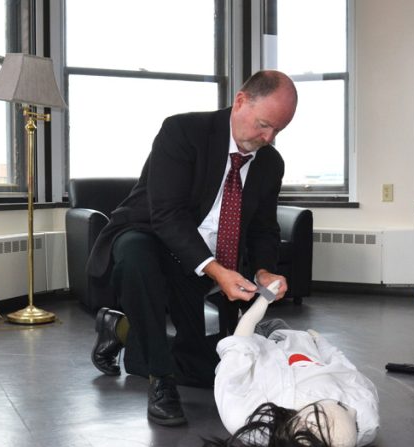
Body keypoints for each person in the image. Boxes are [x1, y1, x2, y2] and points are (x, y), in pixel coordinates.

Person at [86, 70, 297, 426]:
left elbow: (263, 228)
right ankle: (161, 381)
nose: (268, 137)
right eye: (264, 125)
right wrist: (216, 270)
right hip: (151, 237)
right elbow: (167, 215)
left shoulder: (270, 163)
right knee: (137, 255)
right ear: (241, 101)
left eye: (278, 130)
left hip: (205, 261)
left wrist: (262, 270)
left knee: (212, 368)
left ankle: (122, 332)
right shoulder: (183, 132)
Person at [201, 281, 403, 447]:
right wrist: (322, 344)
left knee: (226, 317)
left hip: (257, 344)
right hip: (297, 341)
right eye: (342, 406)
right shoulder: (363, 418)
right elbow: (344, 369)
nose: (350, 409)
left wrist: (257, 308)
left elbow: (236, 354)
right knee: (279, 325)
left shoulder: (245, 419)